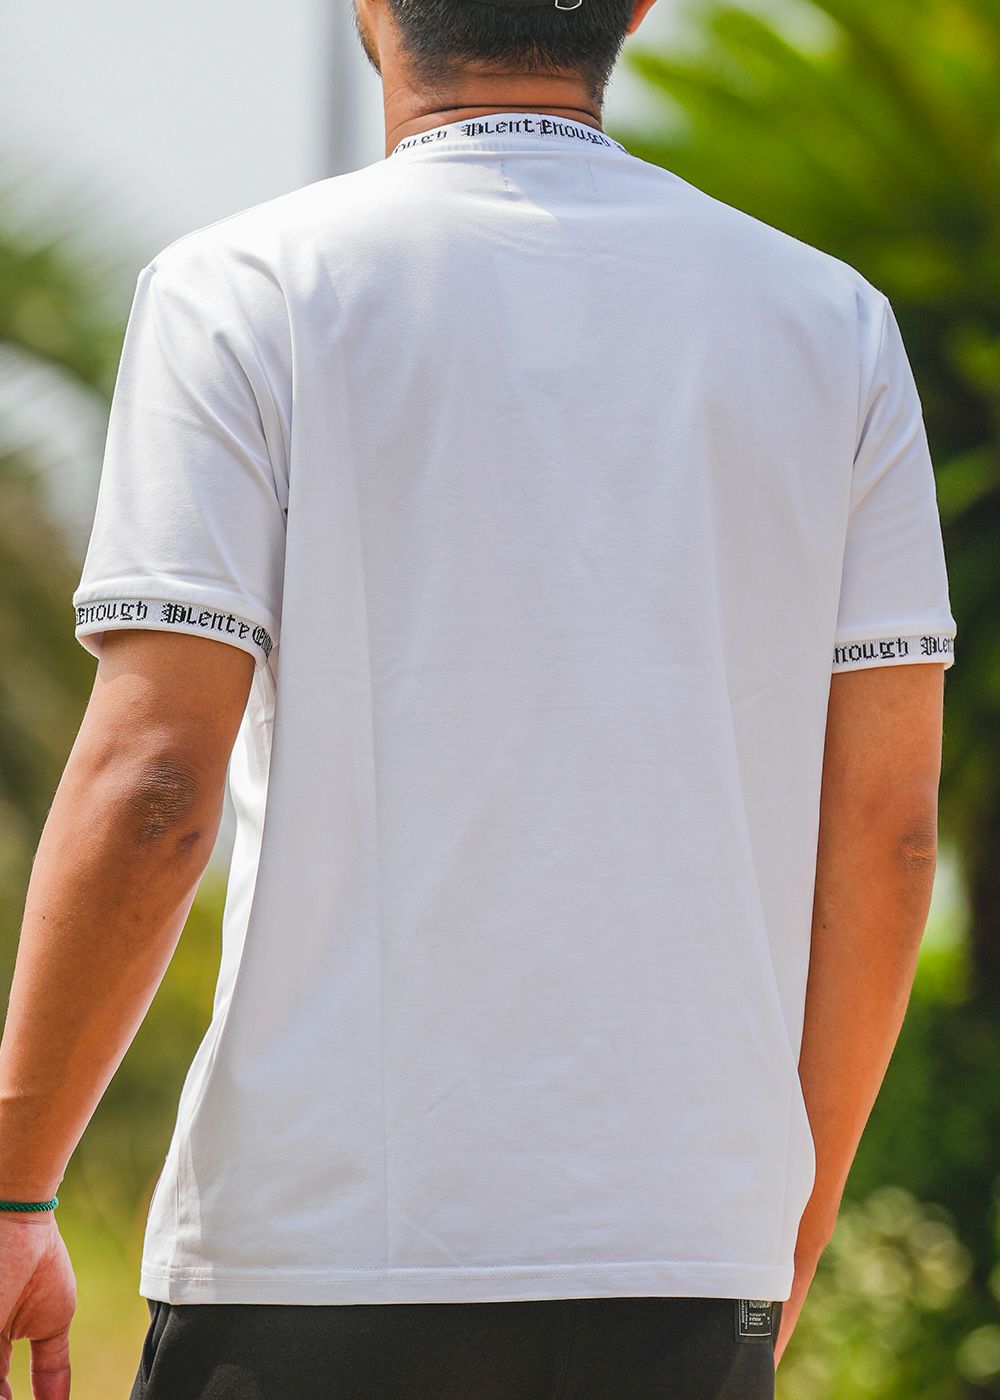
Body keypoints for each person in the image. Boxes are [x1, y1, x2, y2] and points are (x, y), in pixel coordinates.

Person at [0, 0, 957, 1390]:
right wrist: (785, 1226)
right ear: (637, 7)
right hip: (681, 1265)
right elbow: (890, 830)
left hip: (313, 1258)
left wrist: (16, 1191)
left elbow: (156, 783)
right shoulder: (832, 325)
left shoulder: (241, 287)